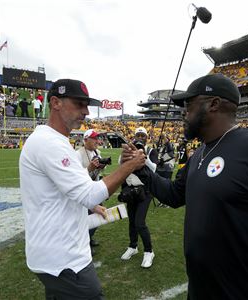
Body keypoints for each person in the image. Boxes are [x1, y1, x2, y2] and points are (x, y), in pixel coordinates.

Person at [123, 74, 248, 299]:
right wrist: (141, 169)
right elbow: (175, 195)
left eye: (189, 105)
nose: (183, 113)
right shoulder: (199, 154)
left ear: (213, 104)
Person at [19, 78, 146, 300]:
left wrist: (91, 205)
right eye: (79, 104)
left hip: (52, 256)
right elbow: (89, 192)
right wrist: (129, 166)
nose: (86, 111)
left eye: (87, 105)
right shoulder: (51, 143)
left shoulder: (50, 140)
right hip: (64, 260)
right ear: (56, 102)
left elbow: (64, 192)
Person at [119, 127, 158, 268]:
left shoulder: (150, 150)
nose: (140, 137)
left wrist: (142, 156)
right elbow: (120, 164)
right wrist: (129, 152)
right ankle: (133, 246)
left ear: (147, 137)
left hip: (145, 191)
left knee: (139, 222)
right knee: (132, 221)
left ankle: (149, 251)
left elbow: (154, 168)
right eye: (138, 135)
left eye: (143, 135)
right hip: (130, 190)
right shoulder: (129, 149)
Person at [76, 129, 107, 255]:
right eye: (93, 138)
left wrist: (101, 167)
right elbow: (76, 177)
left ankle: (88, 238)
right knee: (86, 217)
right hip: (83, 191)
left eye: (97, 138)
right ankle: (84, 243)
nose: (96, 141)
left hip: (94, 187)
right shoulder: (77, 155)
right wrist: (89, 168)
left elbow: (98, 173)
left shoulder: (97, 152)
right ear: (85, 140)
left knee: (98, 216)